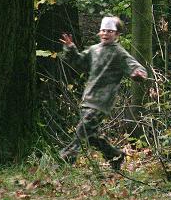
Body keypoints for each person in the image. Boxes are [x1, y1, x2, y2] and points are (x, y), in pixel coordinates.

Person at [59, 15, 147, 167]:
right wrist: (71, 48)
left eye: (110, 31)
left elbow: (134, 66)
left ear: (117, 35)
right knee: (91, 136)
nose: (106, 34)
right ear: (99, 33)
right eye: (103, 31)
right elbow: (79, 63)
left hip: (103, 102)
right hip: (88, 98)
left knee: (82, 129)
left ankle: (66, 158)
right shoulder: (94, 50)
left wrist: (138, 74)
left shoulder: (119, 53)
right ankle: (115, 155)